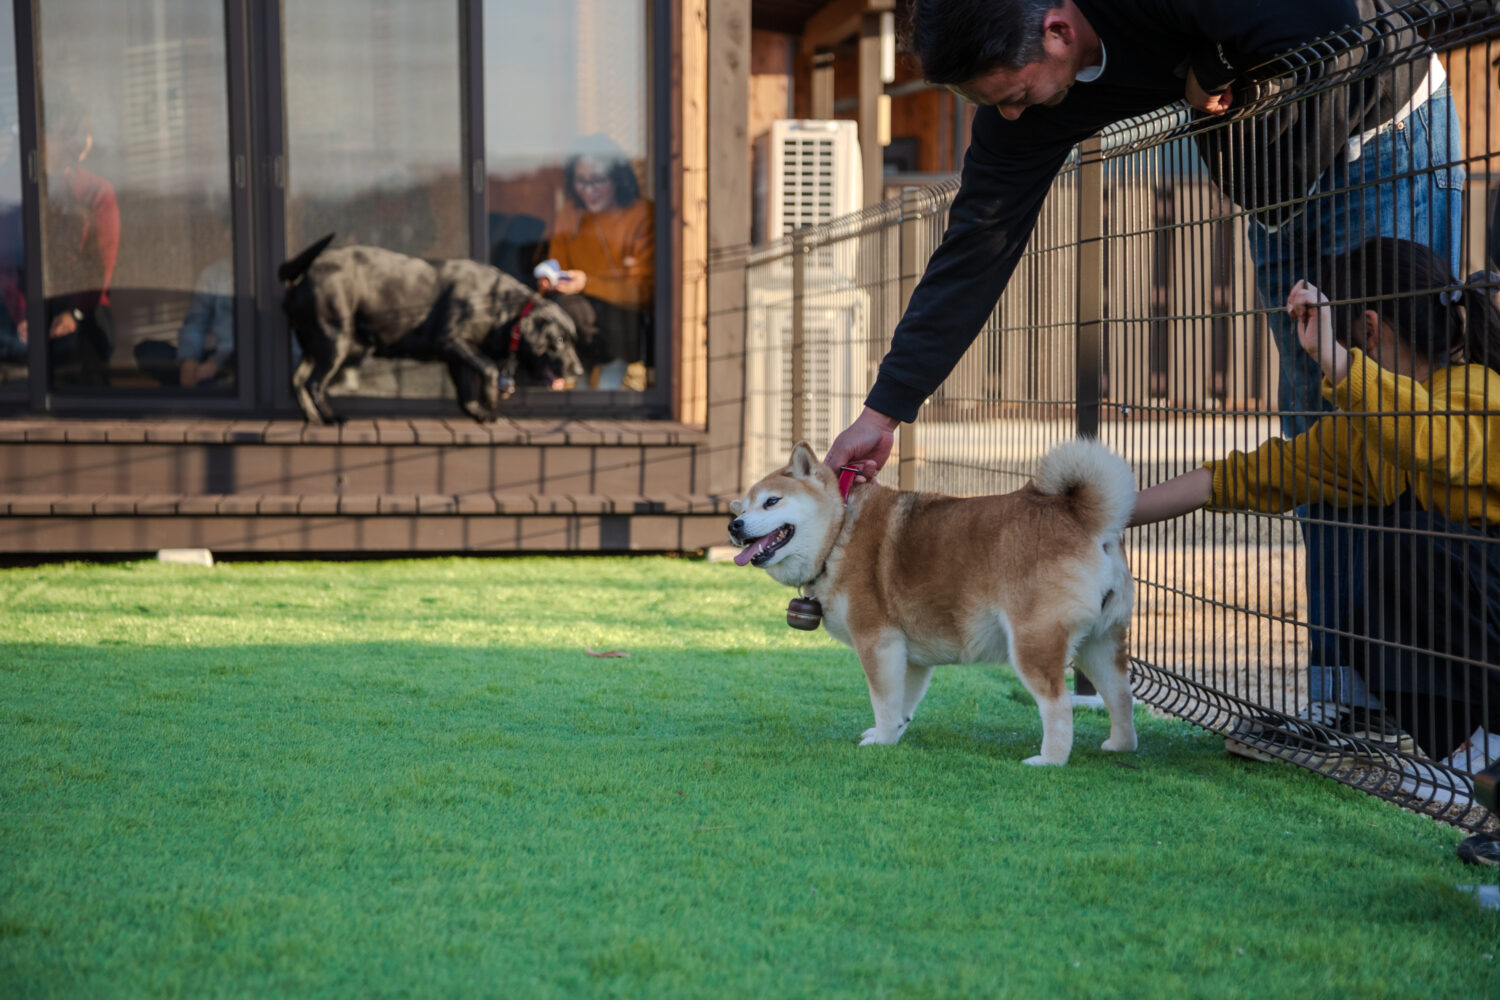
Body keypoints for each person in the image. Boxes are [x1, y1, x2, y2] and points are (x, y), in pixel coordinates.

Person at [823, 0, 1462, 743]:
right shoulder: (1021, 114)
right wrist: (884, 410)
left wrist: (1233, 104)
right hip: (1276, 184)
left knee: (1394, 408)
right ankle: (1348, 696)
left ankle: (1430, 696)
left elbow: (1334, 31)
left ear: (1058, 29)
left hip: (1381, 125)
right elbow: (976, 249)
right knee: (1314, 416)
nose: (1012, 114)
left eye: (1013, 93)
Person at [1129, 238, 1500, 862]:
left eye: (1344, 340)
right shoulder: (1364, 437)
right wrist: (1108, 515)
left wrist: (1333, 359)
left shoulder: (1481, 390)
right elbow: (1255, 473)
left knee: (1417, 550)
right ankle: (1485, 764)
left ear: (1369, 331)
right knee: (1367, 617)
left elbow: (1437, 440)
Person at [538, 134, 654, 391]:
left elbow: (643, 293)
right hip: (579, 325)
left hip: (622, 328)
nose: (588, 190)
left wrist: (587, 282)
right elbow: (556, 264)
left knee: (607, 392)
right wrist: (549, 280)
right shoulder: (571, 212)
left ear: (618, 178)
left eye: (598, 180)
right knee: (562, 308)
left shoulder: (641, 216)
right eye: (581, 181)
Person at [40, 95, 118, 387]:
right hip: (36, 305)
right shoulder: (26, 187)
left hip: (85, 308)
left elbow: (102, 262)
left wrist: (74, 312)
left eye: (88, 134)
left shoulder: (96, 190)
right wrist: (22, 313)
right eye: (77, 132)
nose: (85, 142)